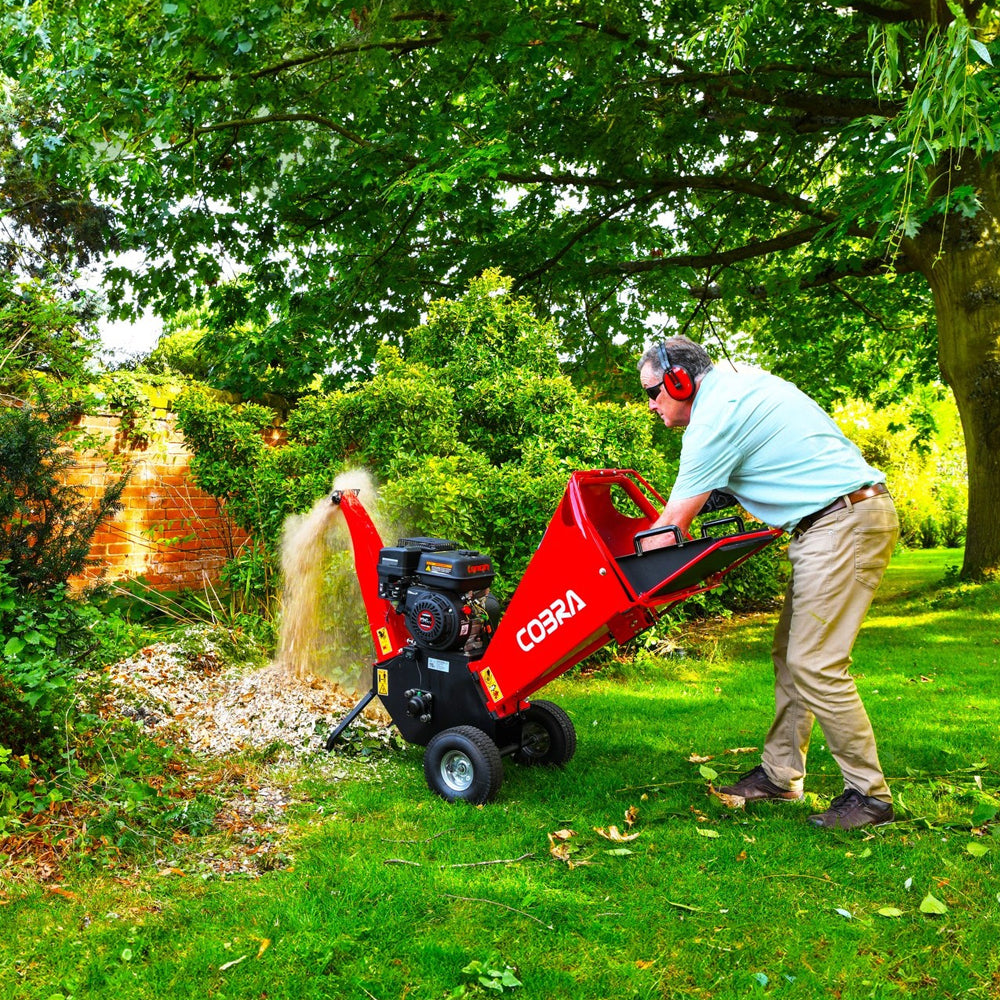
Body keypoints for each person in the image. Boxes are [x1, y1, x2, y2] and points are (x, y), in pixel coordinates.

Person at [637, 335, 899, 830]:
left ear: (679, 380)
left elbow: (669, 531)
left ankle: (870, 797)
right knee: (790, 655)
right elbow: (763, 464)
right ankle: (781, 776)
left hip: (841, 522)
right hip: (834, 520)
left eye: (653, 392)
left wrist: (612, 569)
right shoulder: (741, 386)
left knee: (816, 662)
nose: (652, 404)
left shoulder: (712, 420)